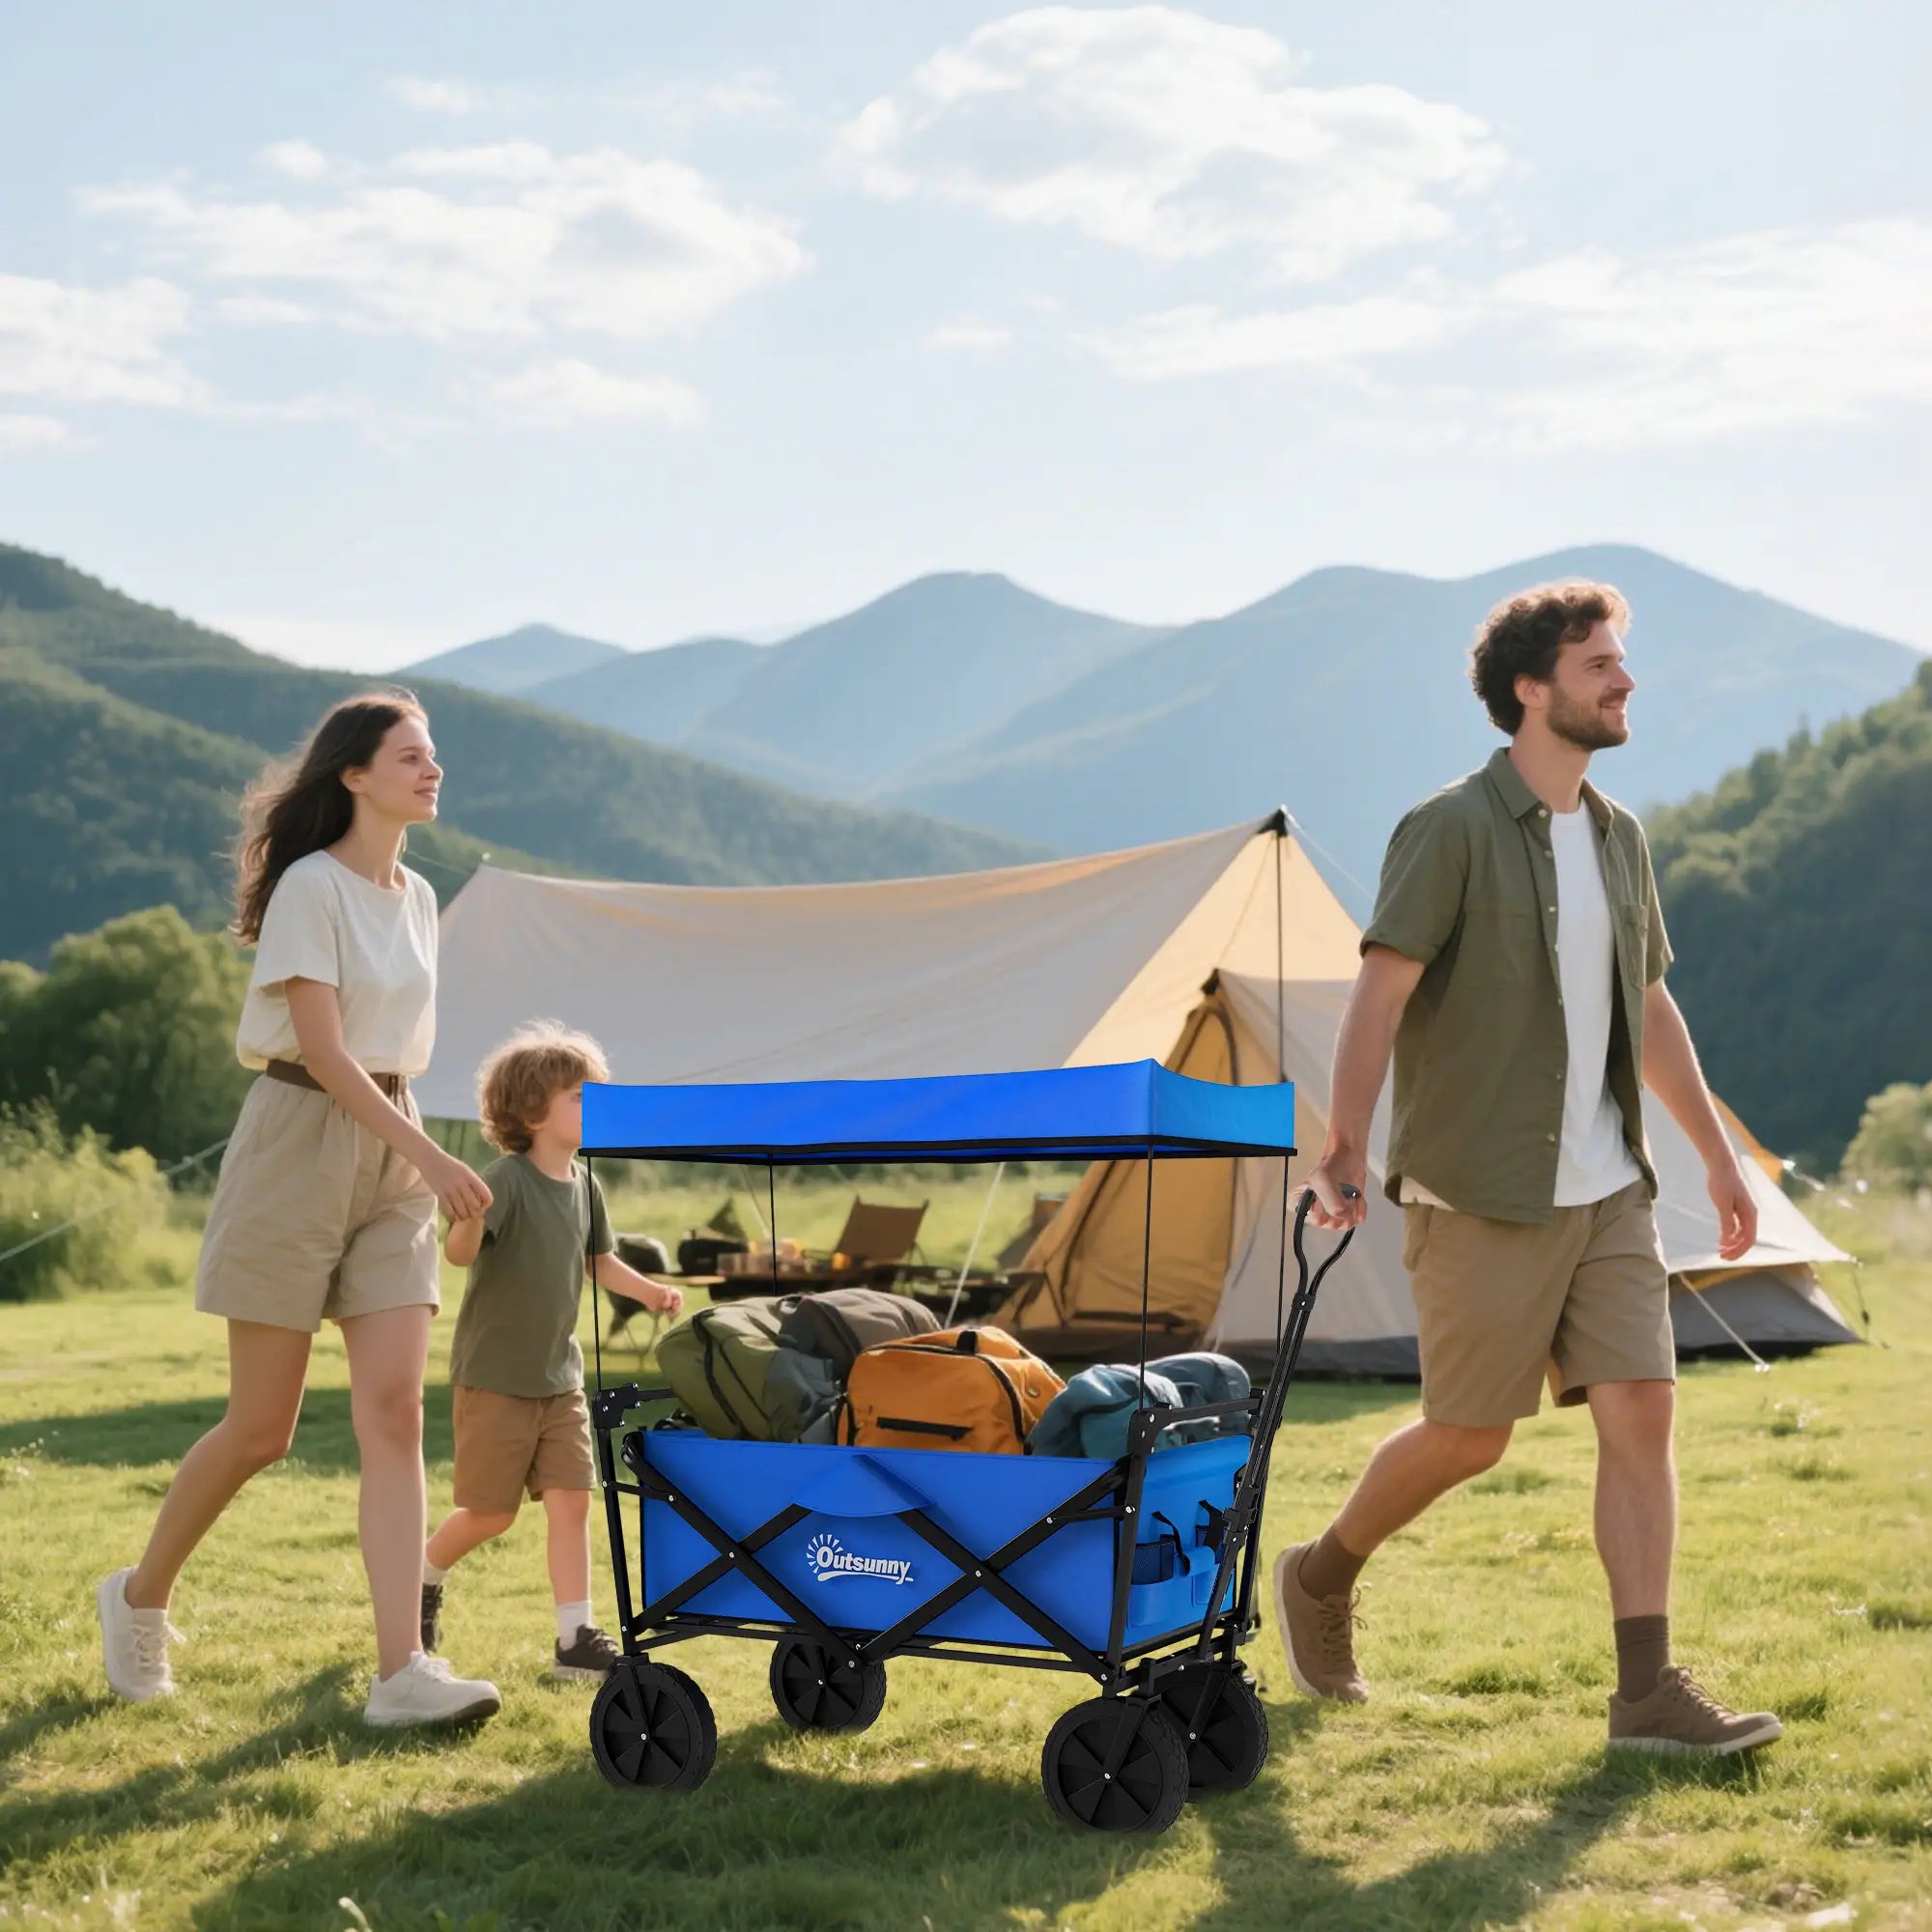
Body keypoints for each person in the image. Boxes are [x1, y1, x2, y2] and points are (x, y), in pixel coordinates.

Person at [1281, 582, 1782, 1756]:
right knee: (1469, 1435)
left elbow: (1646, 1004)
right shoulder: (1448, 827)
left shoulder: (1617, 836)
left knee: (1641, 1408)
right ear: (1528, 687)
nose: (1622, 680)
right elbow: (1378, 993)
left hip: (1607, 1187)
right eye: (1597, 663)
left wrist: (1716, 1159)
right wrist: (1342, 1141)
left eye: (1619, 660)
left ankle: (1644, 1694)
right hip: (1478, 1188)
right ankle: (1319, 1570)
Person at [98, 690, 503, 1728]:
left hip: (392, 1151)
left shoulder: (420, 895)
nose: (432, 769)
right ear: (354, 775)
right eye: (409, 756)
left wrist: (416, 1154)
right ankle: (139, 1596)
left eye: (432, 754)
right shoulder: (311, 887)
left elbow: (392, 1049)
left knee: (396, 1412)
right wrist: (433, 1156)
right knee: (261, 1429)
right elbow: (323, 1050)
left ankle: (401, 1671)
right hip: (298, 1139)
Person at [421, 1023, 683, 1681]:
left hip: (560, 1379)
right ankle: (421, 1576)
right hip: (495, 1378)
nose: (593, 1107)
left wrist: (650, 1292)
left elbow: (600, 1261)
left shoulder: (586, 1186)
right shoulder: (506, 1181)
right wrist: (468, 1217)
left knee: (573, 1500)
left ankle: (574, 1640)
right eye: (580, 1096)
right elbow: (459, 1254)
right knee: (491, 1514)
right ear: (533, 1111)